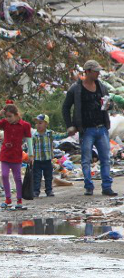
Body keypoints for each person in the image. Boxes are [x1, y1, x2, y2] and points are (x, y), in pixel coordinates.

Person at [62, 60, 117, 196]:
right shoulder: (76, 89)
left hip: (102, 127)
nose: (98, 73)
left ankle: (106, 187)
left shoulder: (101, 87)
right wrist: (69, 126)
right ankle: (89, 186)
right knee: (86, 159)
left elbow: (107, 102)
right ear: (87, 72)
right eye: (95, 71)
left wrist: (108, 106)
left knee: (105, 158)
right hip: (86, 130)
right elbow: (65, 107)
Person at [0, 104, 32, 209]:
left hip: (17, 154)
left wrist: (31, 154)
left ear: (16, 115)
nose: (8, 119)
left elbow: (29, 140)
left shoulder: (25, 125)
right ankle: (8, 199)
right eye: (6, 116)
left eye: (10, 116)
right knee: (4, 175)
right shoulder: (5, 123)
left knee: (17, 178)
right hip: (5, 153)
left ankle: (19, 200)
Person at [30, 114, 65, 198]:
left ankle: (49, 190)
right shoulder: (34, 136)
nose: (38, 125)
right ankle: (36, 191)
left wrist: (68, 133)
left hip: (48, 160)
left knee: (48, 176)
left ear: (46, 124)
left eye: (40, 123)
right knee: (37, 177)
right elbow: (31, 146)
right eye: (37, 123)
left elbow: (60, 136)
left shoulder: (50, 134)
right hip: (37, 160)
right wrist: (30, 156)